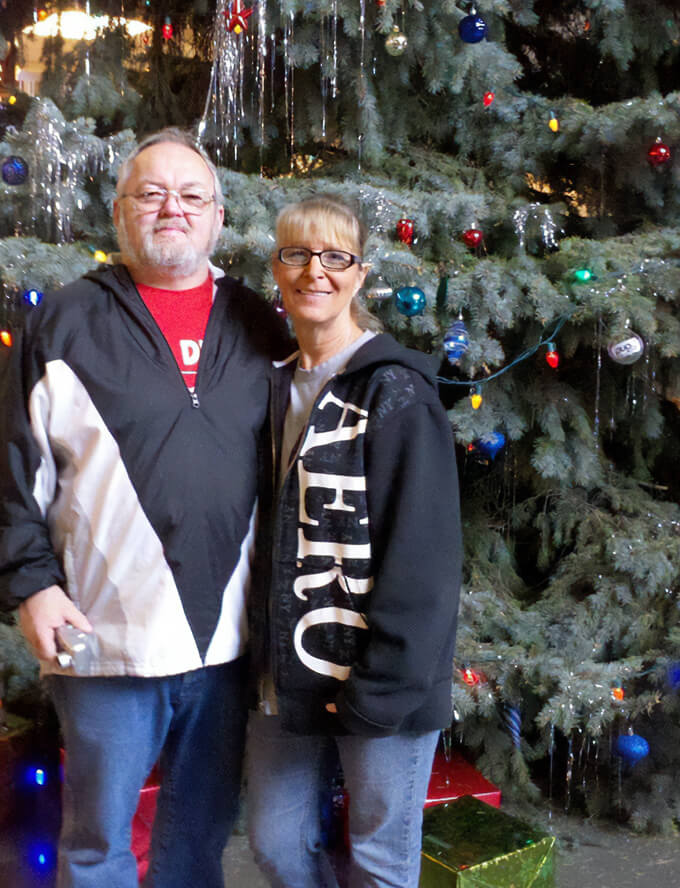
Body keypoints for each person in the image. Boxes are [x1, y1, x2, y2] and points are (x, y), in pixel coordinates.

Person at [0, 127, 290, 888]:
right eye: (150, 193)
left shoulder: (260, 325)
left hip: (227, 646)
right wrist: (32, 587)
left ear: (217, 217)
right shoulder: (63, 323)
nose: (171, 209)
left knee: (198, 836)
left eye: (191, 196)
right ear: (119, 215)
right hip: (104, 639)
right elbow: (9, 472)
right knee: (97, 842)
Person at [246, 194, 462, 888]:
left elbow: (424, 557)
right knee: (276, 844)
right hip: (290, 673)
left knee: (378, 860)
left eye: (335, 256)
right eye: (297, 254)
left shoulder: (394, 390)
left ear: (360, 274)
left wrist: (384, 687)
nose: (316, 271)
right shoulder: (270, 387)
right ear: (276, 268)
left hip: (382, 681)